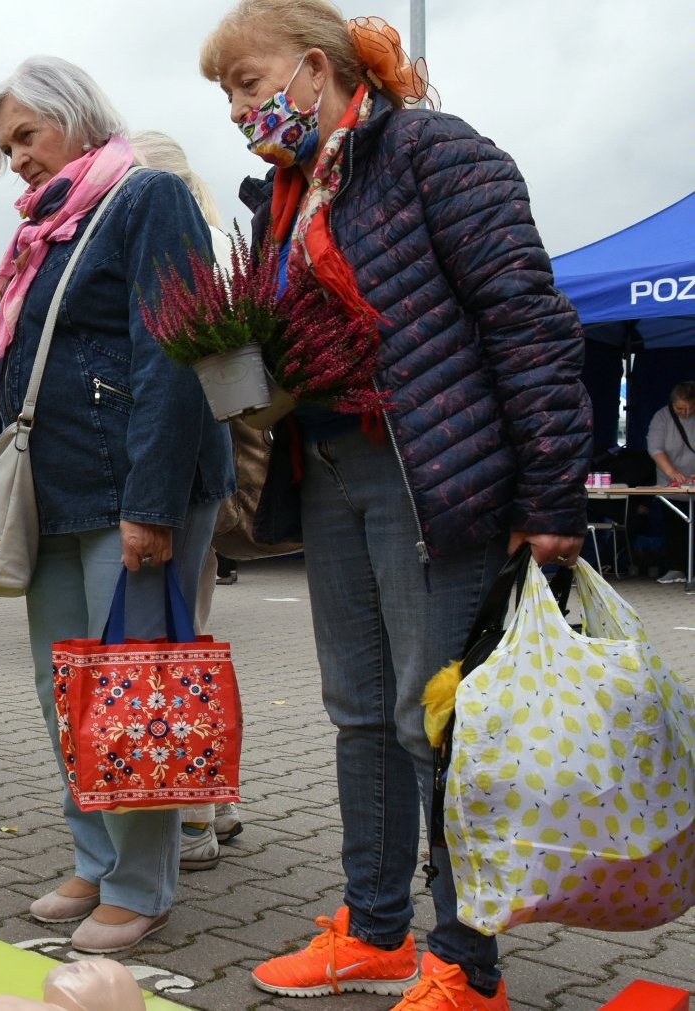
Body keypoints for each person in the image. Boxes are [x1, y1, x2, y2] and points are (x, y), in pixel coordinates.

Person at [200, 4, 591, 1008]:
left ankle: (466, 963)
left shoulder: (431, 152)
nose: (240, 109)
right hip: (331, 468)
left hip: (431, 476)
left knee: (440, 723)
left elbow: (526, 316)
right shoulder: (285, 197)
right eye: (226, 95)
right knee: (358, 714)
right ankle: (374, 931)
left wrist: (549, 491)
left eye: (249, 82)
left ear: (318, 66)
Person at [0, 57, 234, 956]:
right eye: (5, 146)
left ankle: (140, 885)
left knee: (133, 695)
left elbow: (170, 353)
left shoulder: (146, 196)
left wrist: (152, 504)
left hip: (128, 490)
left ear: (77, 118)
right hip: (54, 496)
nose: (15, 159)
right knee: (69, 694)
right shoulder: (49, 229)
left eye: (25, 136)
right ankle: (94, 857)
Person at [128, 128, 247, 872]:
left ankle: (195, 811)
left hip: (179, 473)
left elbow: (172, 373)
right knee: (188, 639)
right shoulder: (220, 244)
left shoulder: (178, 245)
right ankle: (214, 801)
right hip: (204, 468)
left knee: (168, 649)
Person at [645, 381, 695, 582]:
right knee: (674, 528)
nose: (686, 412)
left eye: (691, 408)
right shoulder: (662, 417)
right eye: (681, 409)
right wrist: (672, 473)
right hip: (671, 484)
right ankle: (676, 568)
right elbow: (655, 449)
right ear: (672, 404)